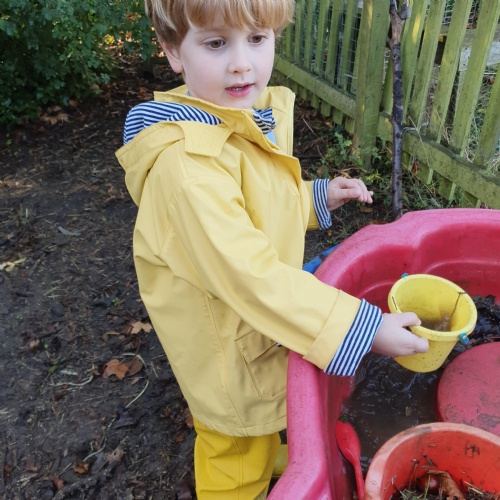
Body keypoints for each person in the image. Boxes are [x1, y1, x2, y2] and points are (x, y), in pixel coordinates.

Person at [115, 0, 429, 498]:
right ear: (173, 51)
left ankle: (270, 455)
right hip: (227, 356)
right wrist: (363, 328)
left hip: (254, 331)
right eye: (216, 43)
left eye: (257, 39)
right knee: (235, 450)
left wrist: (316, 196)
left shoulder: (234, 118)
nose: (242, 63)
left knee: (260, 429)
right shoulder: (189, 172)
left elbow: (259, 204)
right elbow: (250, 275)